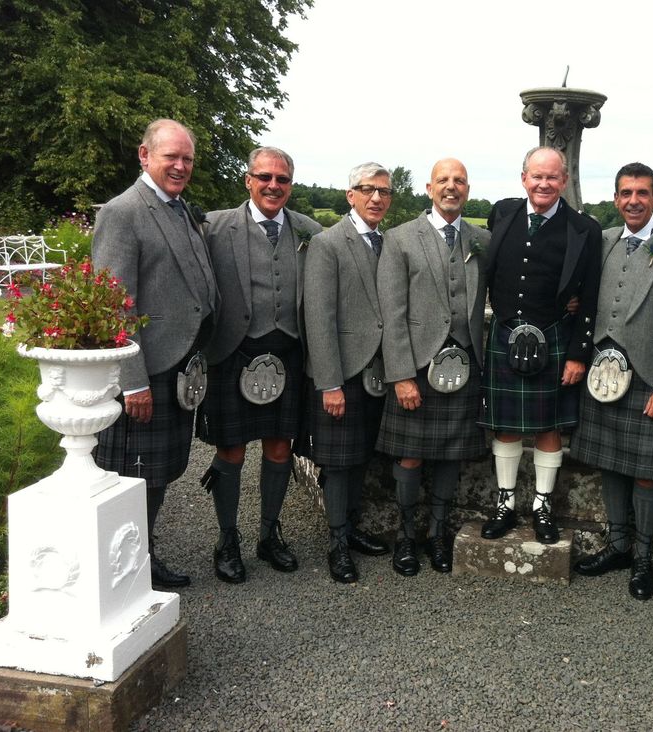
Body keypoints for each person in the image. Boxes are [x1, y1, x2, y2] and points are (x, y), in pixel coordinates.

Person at [571, 163, 653, 600]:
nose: (634, 200)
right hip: (601, 374)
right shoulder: (603, 241)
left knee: (647, 474)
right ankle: (618, 547)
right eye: (626, 193)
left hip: (650, 379)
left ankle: (643, 557)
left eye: (642, 193)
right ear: (616, 199)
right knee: (610, 463)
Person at [92, 118, 217, 588]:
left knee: (159, 473)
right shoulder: (123, 212)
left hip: (178, 365)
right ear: (145, 156)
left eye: (187, 159)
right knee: (135, 474)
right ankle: (128, 567)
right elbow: (114, 304)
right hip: (148, 369)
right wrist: (133, 383)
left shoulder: (178, 207)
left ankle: (141, 555)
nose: (181, 166)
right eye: (171, 157)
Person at [197, 146, 321, 584]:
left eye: (282, 179)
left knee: (280, 447)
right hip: (233, 351)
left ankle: (269, 534)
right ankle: (227, 539)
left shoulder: (309, 231)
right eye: (264, 177)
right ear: (248, 180)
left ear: (291, 185)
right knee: (230, 448)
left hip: (288, 352)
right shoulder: (214, 226)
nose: (273, 185)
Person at [480, 146, 601, 544]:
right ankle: (505, 504)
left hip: (554, 336)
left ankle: (542, 507)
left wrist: (578, 354)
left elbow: (590, 296)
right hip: (505, 332)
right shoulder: (503, 213)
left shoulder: (583, 229)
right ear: (524, 179)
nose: (544, 183)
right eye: (537, 176)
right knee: (505, 426)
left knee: (550, 426)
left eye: (552, 177)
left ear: (564, 181)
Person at [376, 158, 490, 576]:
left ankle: (438, 535)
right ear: (429, 188)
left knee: (449, 457)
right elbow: (392, 313)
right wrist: (401, 375)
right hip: (418, 367)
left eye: (459, 180)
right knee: (410, 456)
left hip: (466, 363)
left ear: (468, 189)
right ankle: (407, 537)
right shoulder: (400, 239)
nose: (451, 187)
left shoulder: (483, 239)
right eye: (443, 180)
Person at [303, 162, 394, 583]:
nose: (376, 197)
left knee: (360, 456)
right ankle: (337, 542)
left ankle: (352, 528)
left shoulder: (388, 242)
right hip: (341, 372)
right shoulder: (328, 244)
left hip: (378, 372)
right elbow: (318, 318)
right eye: (367, 189)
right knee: (338, 462)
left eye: (384, 191)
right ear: (350, 195)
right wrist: (330, 383)